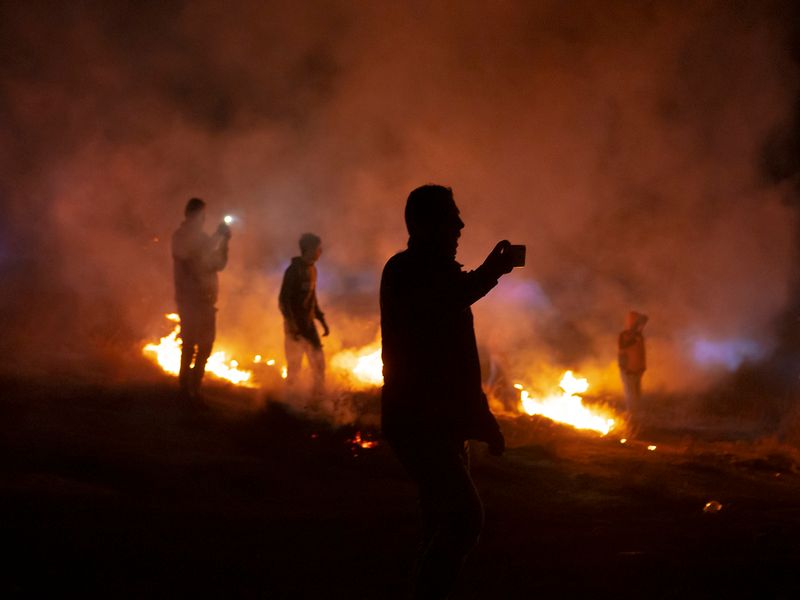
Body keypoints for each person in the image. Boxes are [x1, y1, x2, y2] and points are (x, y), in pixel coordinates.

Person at [380, 184, 514, 599]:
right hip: (419, 421)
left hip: (444, 422)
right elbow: (445, 300)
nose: (460, 225)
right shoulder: (407, 271)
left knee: (439, 522)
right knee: (463, 519)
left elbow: (458, 359)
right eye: (450, 216)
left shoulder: (436, 271)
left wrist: (481, 418)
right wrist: (492, 271)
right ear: (423, 224)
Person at [171, 197, 231, 400]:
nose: (205, 218)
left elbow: (217, 264)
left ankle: (195, 388)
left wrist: (225, 243)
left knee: (206, 346)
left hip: (207, 301)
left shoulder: (205, 238)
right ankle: (185, 388)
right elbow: (196, 258)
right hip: (190, 300)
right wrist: (217, 237)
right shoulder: (180, 237)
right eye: (202, 214)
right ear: (192, 214)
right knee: (189, 345)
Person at [279, 233, 330, 397]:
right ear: (308, 249)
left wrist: (321, 319)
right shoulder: (293, 271)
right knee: (295, 367)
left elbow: (312, 298)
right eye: (318, 248)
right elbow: (283, 301)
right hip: (295, 328)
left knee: (319, 364)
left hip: (309, 326)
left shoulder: (313, 269)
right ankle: (288, 403)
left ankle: (318, 398)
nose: (321, 251)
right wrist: (292, 326)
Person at [618, 310, 648, 423]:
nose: (643, 326)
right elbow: (622, 351)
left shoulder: (640, 336)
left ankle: (637, 419)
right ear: (633, 324)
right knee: (631, 398)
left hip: (638, 371)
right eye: (639, 324)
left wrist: (642, 368)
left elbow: (641, 354)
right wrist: (624, 368)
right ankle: (631, 420)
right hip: (629, 372)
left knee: (637, 396)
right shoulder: (625, 336)